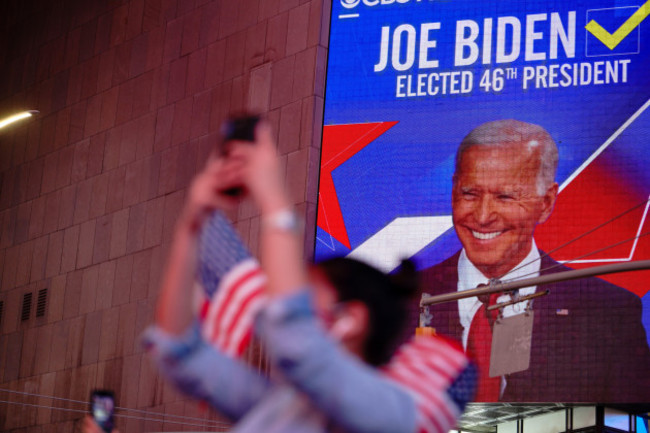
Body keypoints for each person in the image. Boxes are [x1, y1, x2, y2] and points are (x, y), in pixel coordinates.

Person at [142, 118, 477, 433]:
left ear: (351, 319)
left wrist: (274, 200)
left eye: (306, 295)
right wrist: (193, 222)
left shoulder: (390, 411)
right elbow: (182, 355)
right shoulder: (289, 406)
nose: (283, 298)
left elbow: (297, 345)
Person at [418, 119, 650, 402]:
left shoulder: (607, 312)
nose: (482, 216)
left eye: (505, 197)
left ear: (547, 202)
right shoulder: (396, 300)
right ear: (454, 189)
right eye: (470, 194)